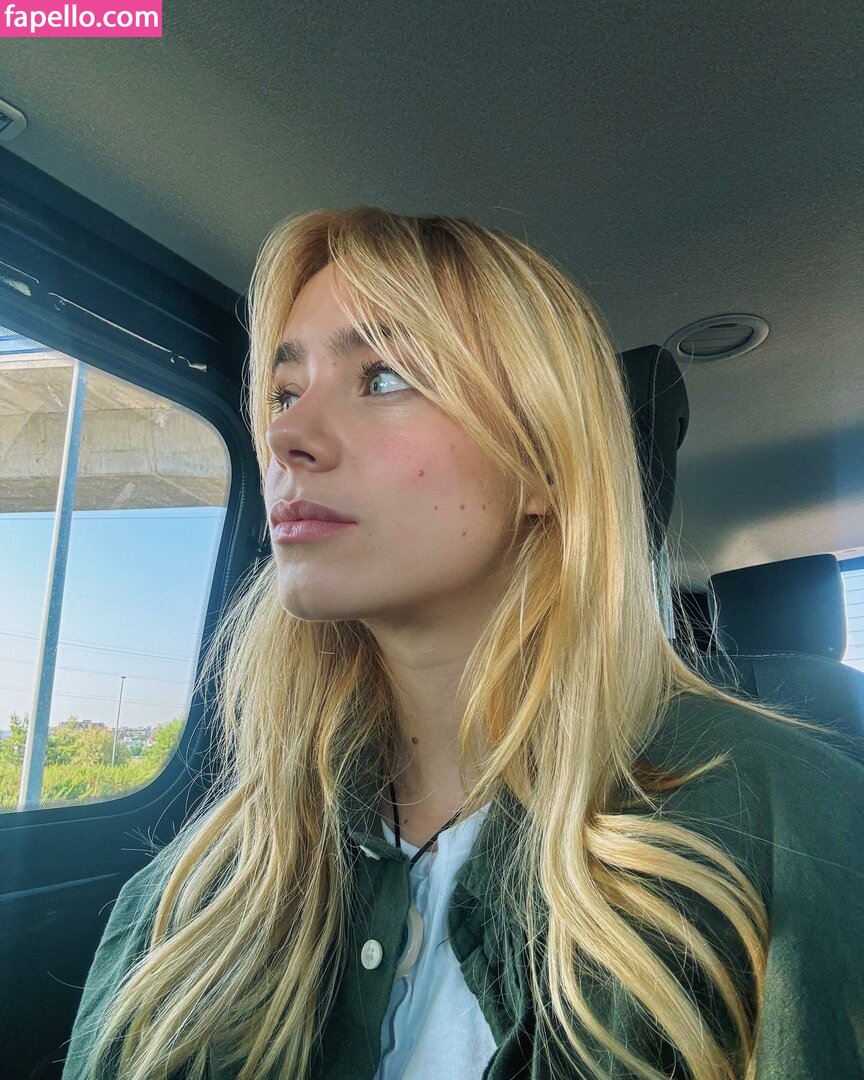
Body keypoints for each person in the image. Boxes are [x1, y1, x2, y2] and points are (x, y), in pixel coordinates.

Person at [62, 208, 864, 1080]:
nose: (284, 436)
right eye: (284, 393)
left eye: (384, 377)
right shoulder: (203, 889)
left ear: (542, 463)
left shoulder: (786, 826)